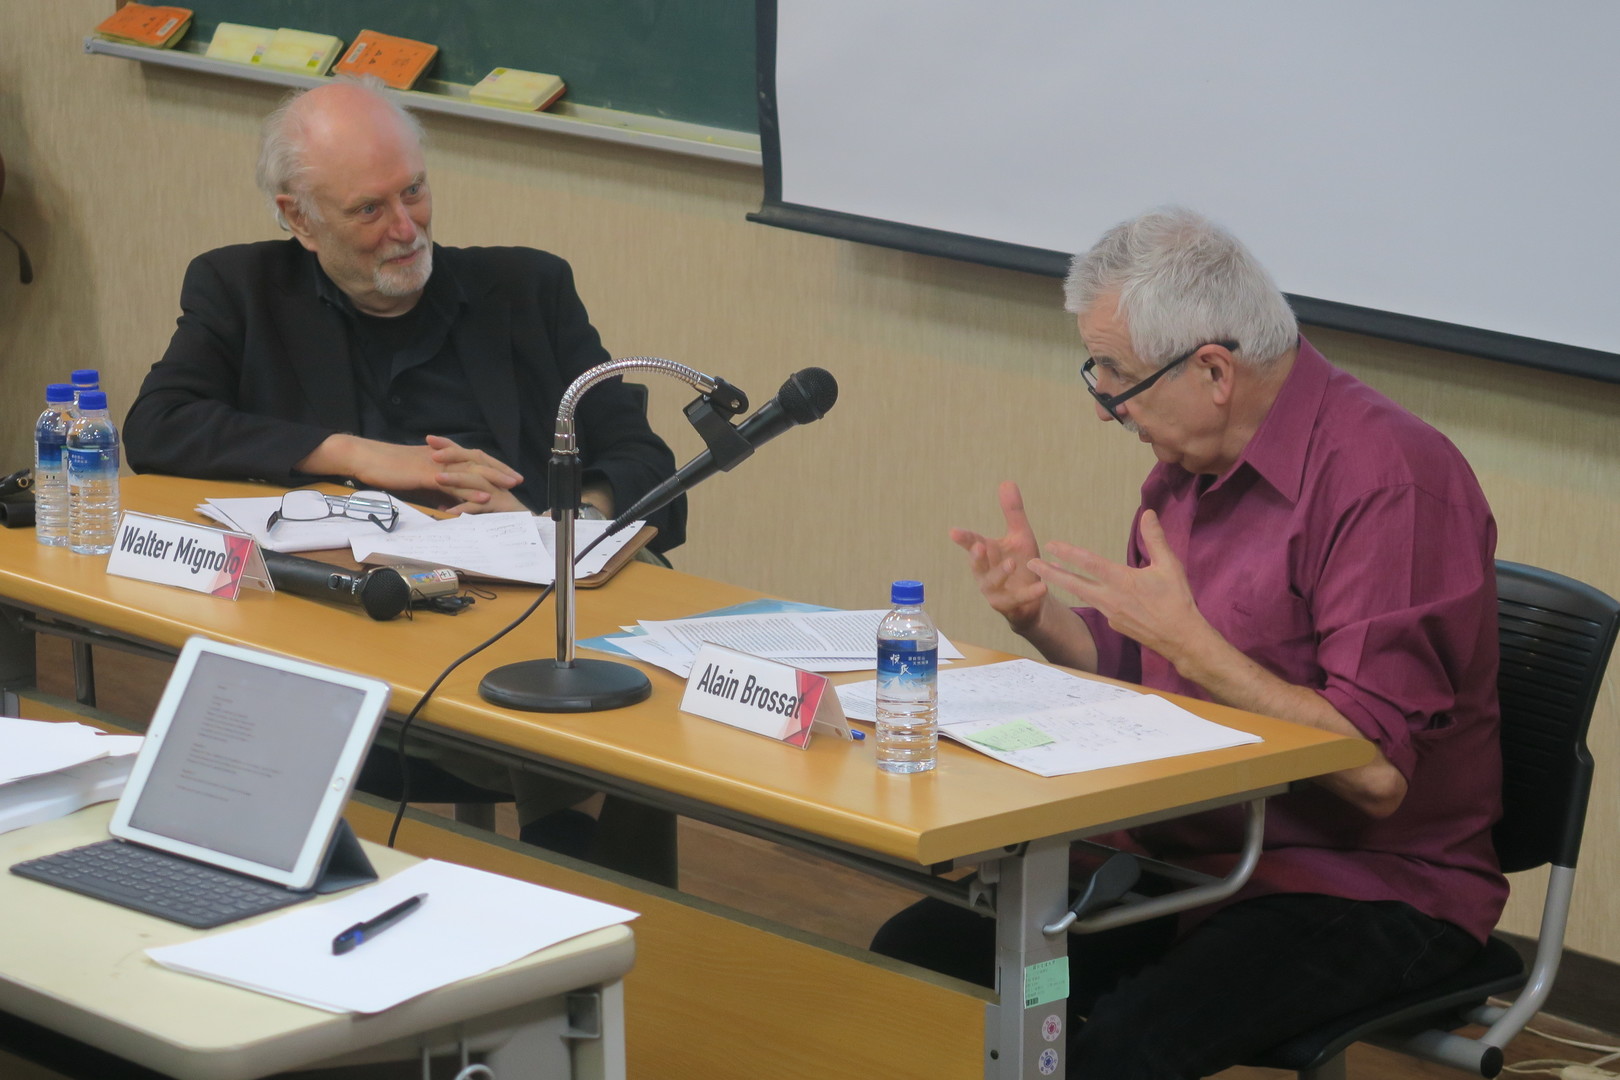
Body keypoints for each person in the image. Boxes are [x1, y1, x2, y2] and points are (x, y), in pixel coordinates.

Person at [871, 208, 1506, 1078]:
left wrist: (1196, 646)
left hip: (1361, 883)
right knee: (919, 960)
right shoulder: (1189, 472)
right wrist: (1043, 619)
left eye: (1118, 378)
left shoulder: (1390, 483)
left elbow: (1373, 773)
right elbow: (1151, 668)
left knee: (1119, 1050)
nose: (1107, 409)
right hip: (1189, 855)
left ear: (1212, 370)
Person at [124, 78, 684, 880]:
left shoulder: (529, 290)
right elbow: (158, 426)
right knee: (572, 714)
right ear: (298, 219)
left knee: (612, 678)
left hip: (517, 597)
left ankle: (598, 889)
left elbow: (642, 459)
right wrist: (357, 456)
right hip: (348, 628)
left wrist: (553, 523)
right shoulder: (243, 291)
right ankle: (571, 858)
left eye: (414, 192)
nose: (405, 227)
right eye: (368, 209)